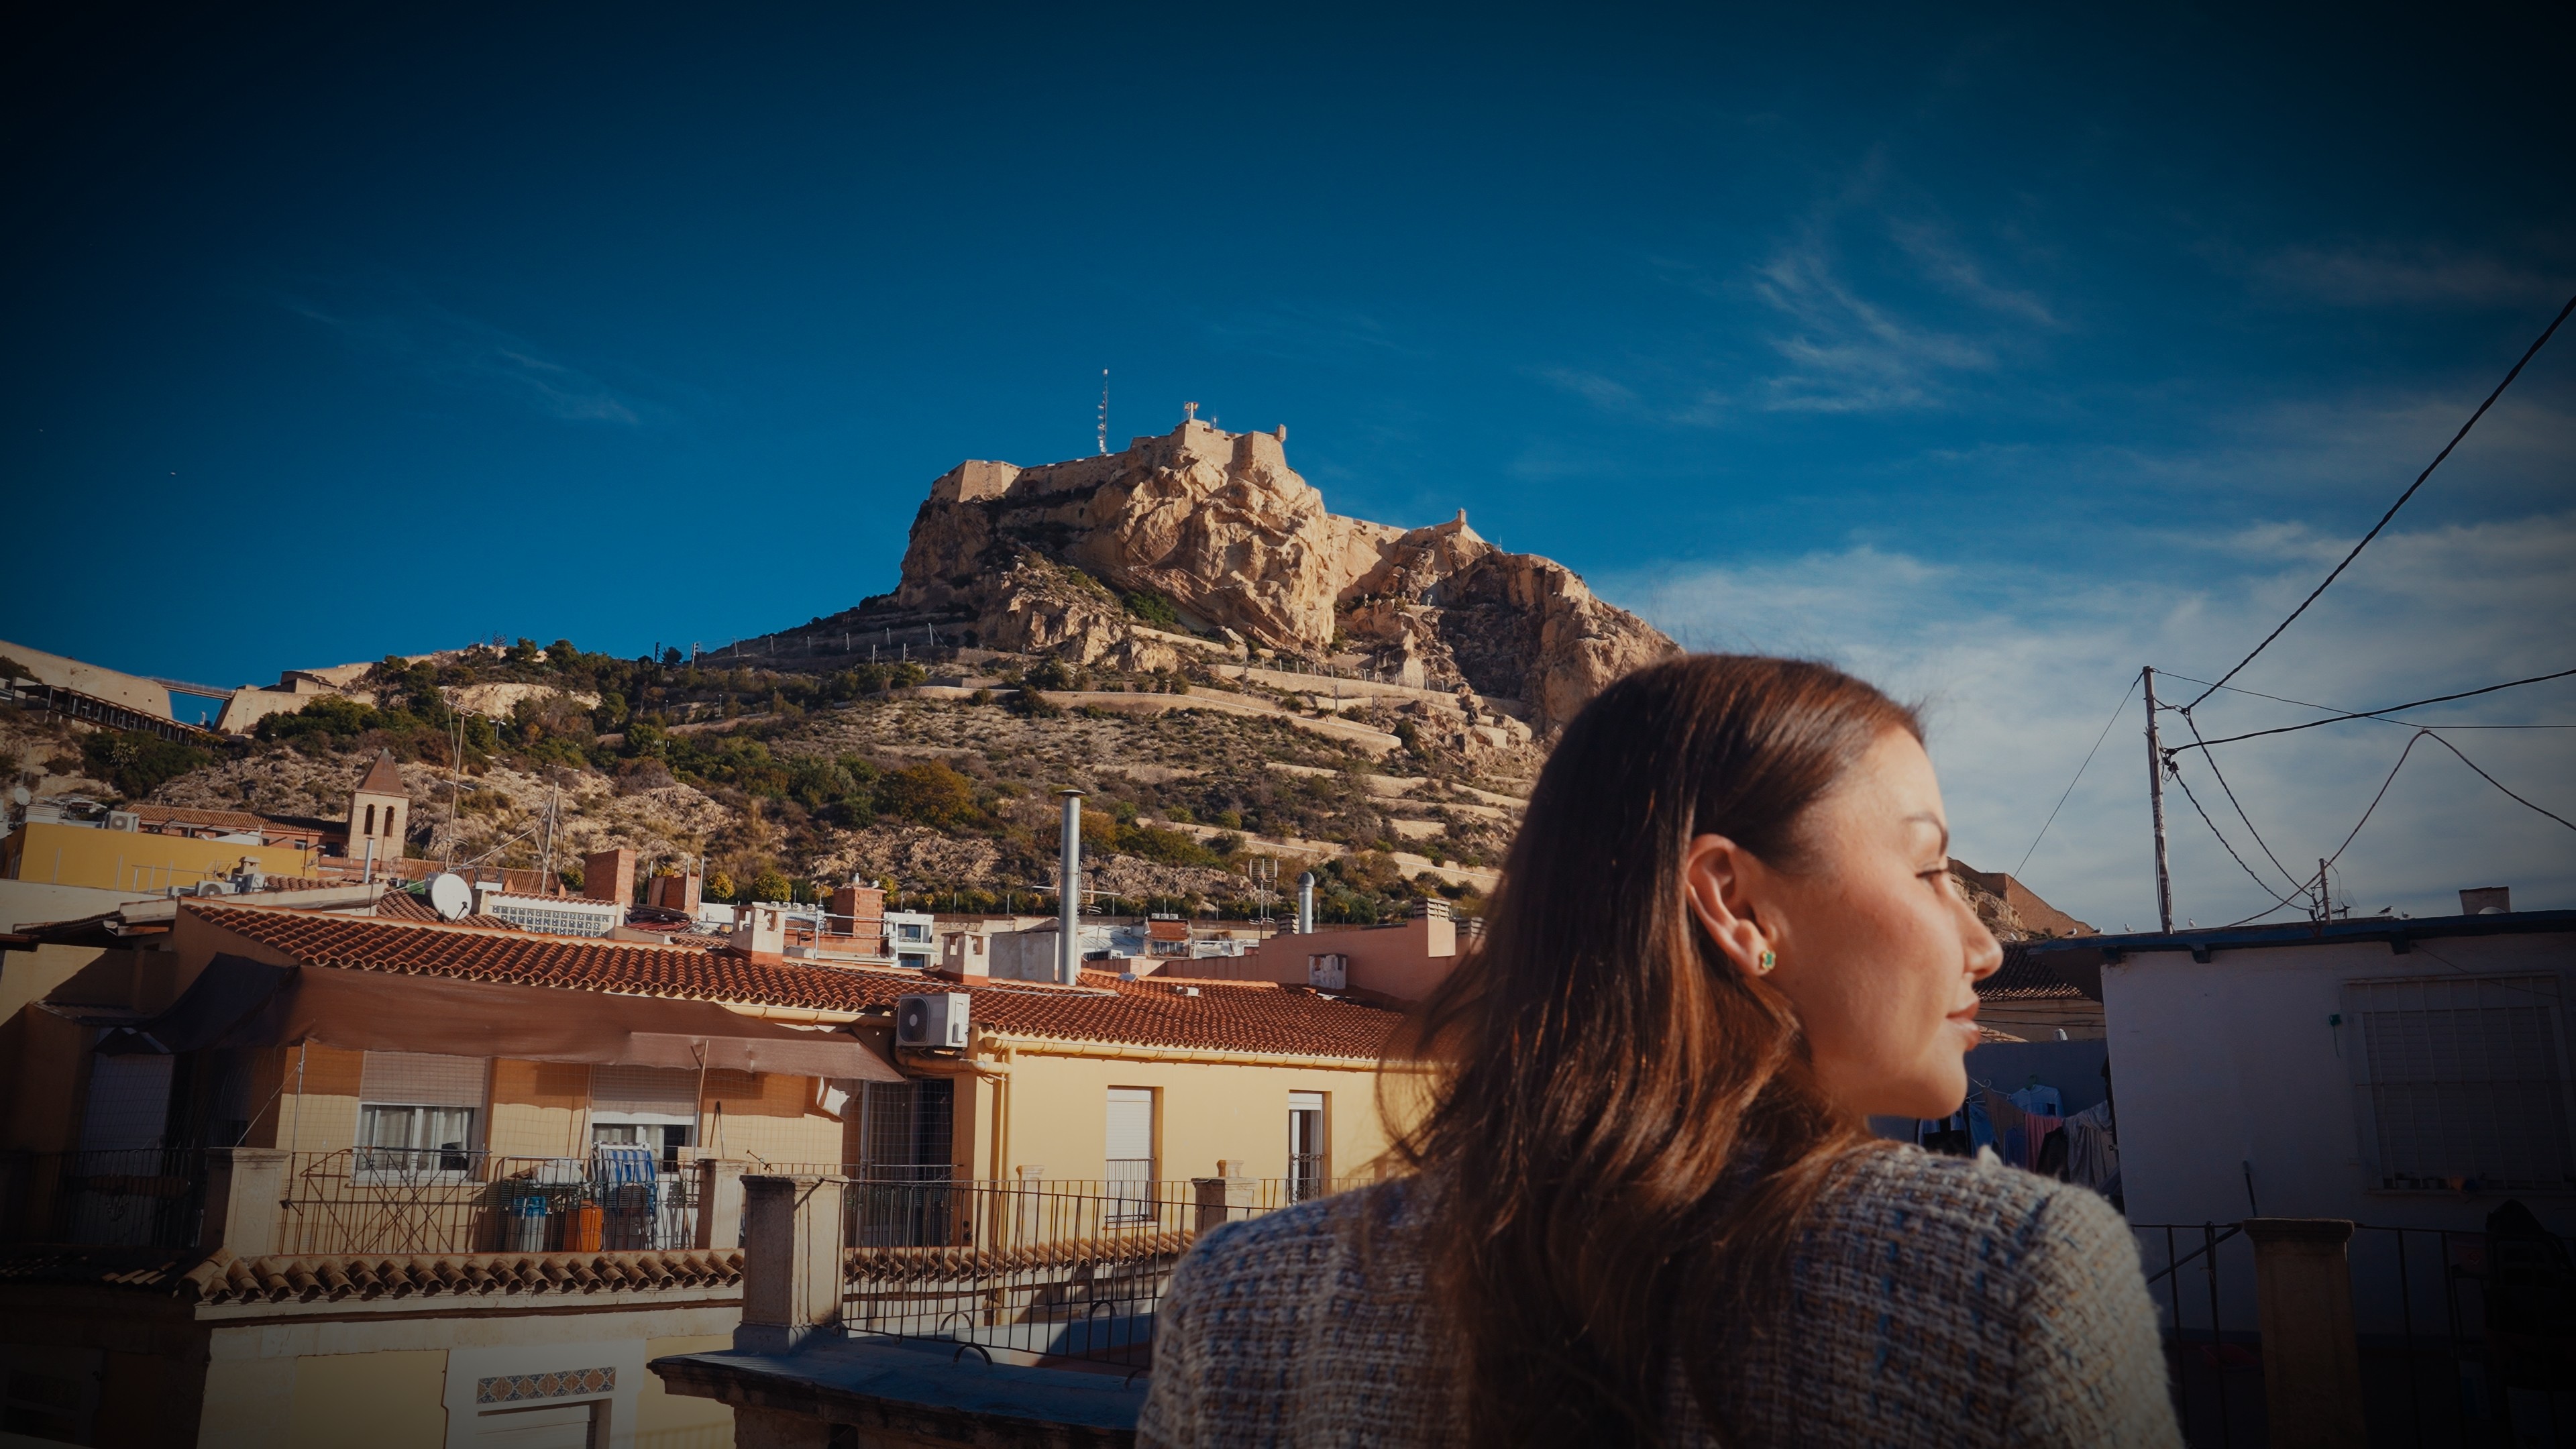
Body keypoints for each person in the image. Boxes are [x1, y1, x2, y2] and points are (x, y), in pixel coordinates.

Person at [1140, 655, 2178, 1448]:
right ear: (1732, 901)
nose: (1985, 945)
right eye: (1930, 871)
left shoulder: (1235, 1299)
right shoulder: (2015, 1279)